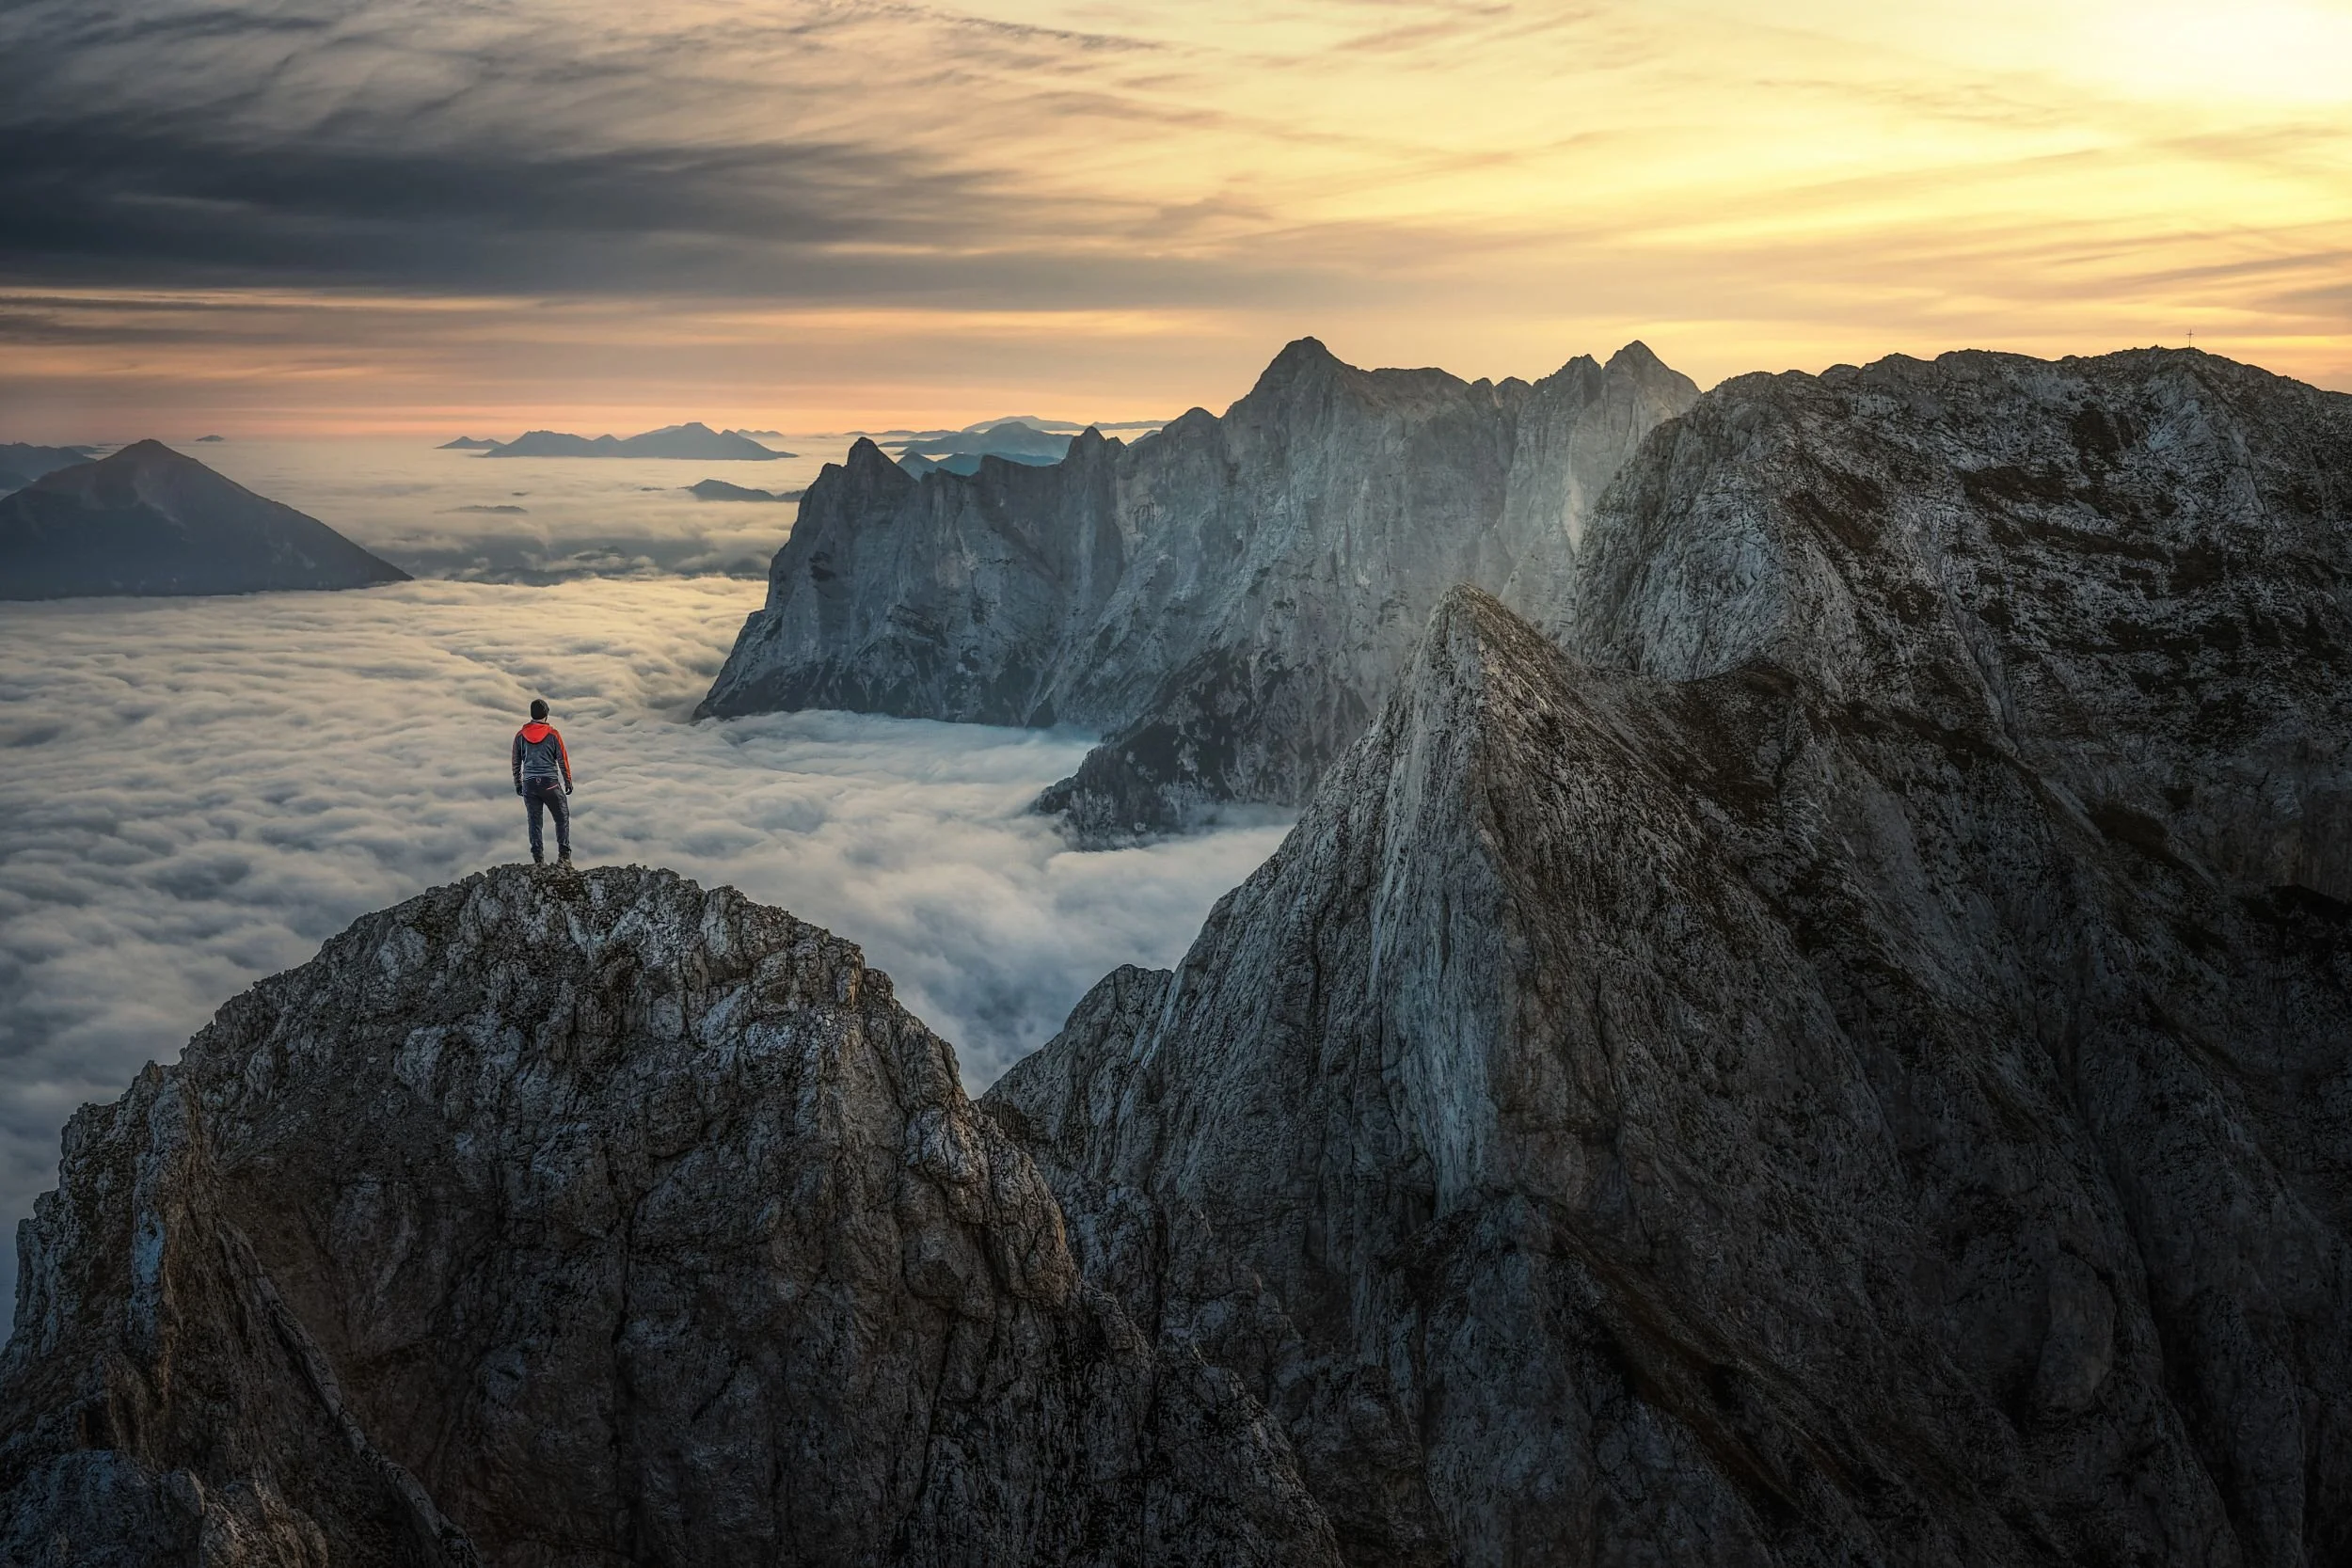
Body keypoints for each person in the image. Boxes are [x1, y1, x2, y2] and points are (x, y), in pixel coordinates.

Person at [511, 699, 574, 866]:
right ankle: (564, 856)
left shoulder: (520, 736)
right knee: (562, 817)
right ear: (546, 714)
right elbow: (563, 760)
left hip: (529, 785)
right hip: (550, 784)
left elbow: (516, 762)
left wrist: (518, 784)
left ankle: (538, 859)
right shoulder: (553, 734)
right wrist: (568, 781)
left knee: (534, 821)